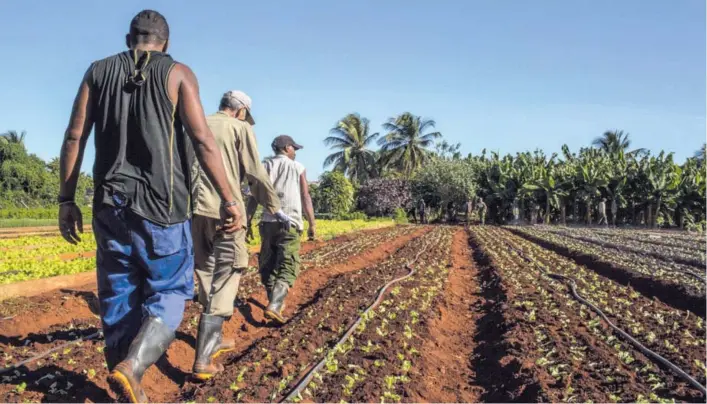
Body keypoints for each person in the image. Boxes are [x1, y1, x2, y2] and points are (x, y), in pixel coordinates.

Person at [57, 10, 244, 403]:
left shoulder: (97, 71)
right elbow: (203, 141)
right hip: (164, 209)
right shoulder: (178, 73)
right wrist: (230, 199)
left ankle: (126, 383)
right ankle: (133, 367)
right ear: (167, 42)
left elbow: (75, 136)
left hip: (109, 205)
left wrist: (66, 198)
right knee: (171, 290)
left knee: (118, 295)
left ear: (129, 38)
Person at [189, 90, 290, 380]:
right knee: (231, 270)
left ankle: (216, 337)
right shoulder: (239, 128)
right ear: (241, 111)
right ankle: (204, 358)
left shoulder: (195, 121)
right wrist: (274, 206)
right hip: (227, 211)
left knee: (206, 270)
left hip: (195, 210)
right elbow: (255, 173)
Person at [246, 135, 316, 325]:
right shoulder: (297, 167)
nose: (295, 152)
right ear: (286, 148)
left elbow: (253, 195)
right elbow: (305, 196)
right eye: (294, 148)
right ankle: (275, 305)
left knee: (267, 263)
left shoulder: (264, 166)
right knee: (287, 264)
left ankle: (275, 302)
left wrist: (248, 219)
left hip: (268, 222)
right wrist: (312, 224)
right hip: (290, 223)